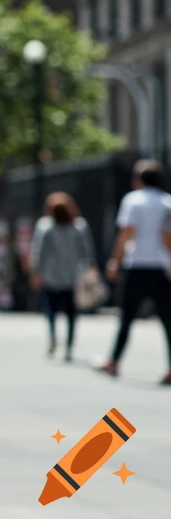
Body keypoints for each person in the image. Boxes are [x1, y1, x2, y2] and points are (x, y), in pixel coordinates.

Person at [96, 160, 171, 383]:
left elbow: (127, 232)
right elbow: (167, 238)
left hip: (136, 265)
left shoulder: (133, 201)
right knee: (168, 320)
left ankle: (114, 361)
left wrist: (114, 261)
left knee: (127, 317)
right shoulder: (167, 202)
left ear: (139, 179)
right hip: (161, 267)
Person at [30, 192, 94, 362]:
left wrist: (36, 272)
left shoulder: (45, 226)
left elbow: (39, 252)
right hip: (73, 276)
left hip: (52, 276)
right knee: (71, 313)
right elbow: (87, 252)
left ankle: (52, 336)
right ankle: (69, 345)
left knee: (50, 309)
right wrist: (90, 269)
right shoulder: (79, 226)